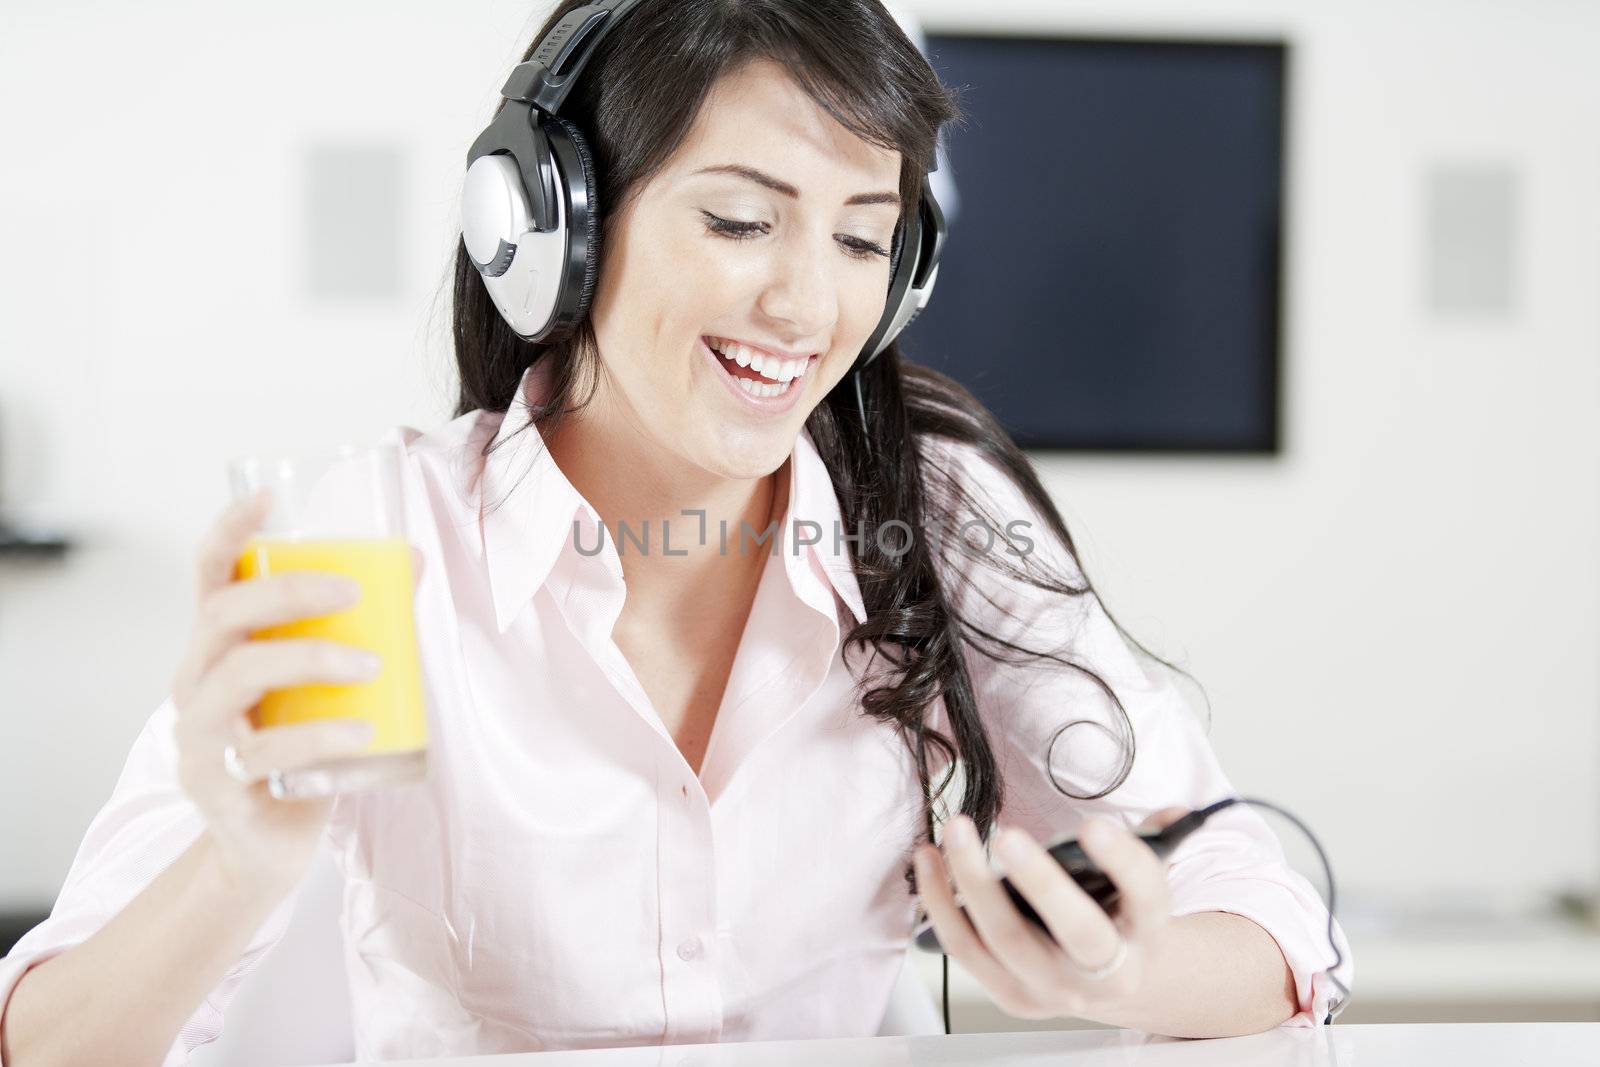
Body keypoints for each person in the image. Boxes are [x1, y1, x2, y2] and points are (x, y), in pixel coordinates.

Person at [0, 1, 1353, 1064]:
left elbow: (1264, 907)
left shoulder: (928, 508)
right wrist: (241, 861)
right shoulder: (368, 536)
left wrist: (1120, 970)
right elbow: (51, 1048)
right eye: (742, 218)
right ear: (551, 227)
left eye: (861, 239)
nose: (807, 303)